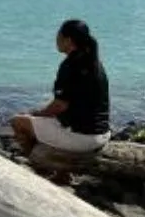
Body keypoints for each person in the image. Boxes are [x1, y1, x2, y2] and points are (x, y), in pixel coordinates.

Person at [10, 19, 111, 178]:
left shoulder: (70, 65)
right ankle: (62, 174)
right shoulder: (95, 63)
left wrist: (37, 114)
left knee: (18, 121)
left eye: (58, 36)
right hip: (102, 133)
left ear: (68, 40)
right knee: (46, 121)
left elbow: (60, 105)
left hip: (82, 138)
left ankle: (41, 168)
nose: (56, 40)